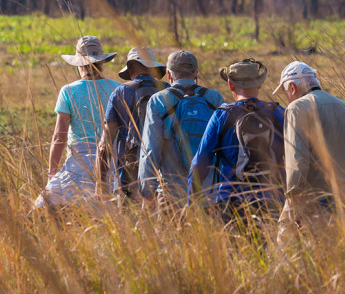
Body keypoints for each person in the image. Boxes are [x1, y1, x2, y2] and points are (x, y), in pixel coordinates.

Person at [188, 58, 285, 225]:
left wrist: (191, 201)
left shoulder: (222, 115)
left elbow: (200, 161)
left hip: (230, 201)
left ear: (230, 85)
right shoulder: (278, 113)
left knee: (235, 250)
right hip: (272, 201)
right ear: (259, 84)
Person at [274, 61, 345, 237]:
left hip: (318, 207)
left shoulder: (297, 108)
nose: (287, 97)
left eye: (285, 92)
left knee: (285, 245)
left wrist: (294, 206)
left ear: (292, 88)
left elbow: (297, 165)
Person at [34, 36, 119, 209]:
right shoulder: (117, 88)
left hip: (77, 163)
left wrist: (52, 174)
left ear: (79, 64)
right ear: (102, 62)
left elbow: (59, 136)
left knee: (41, 208)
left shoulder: (68, 91)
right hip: (111, 162)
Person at [138, 50, 223, 207]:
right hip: (209, 194)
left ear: (169, 75)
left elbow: (150, 149)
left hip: (172, 193)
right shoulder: (214, 98)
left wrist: (146, 191)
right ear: (196, 73)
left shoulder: (158, 100)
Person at [97, 46, 167, 199]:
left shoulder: (120, 93)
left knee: (130, 219)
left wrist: (101, 183)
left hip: (128, 176)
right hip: (164, 177)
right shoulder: (168, 91)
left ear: (130, 67)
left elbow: (105, 144)